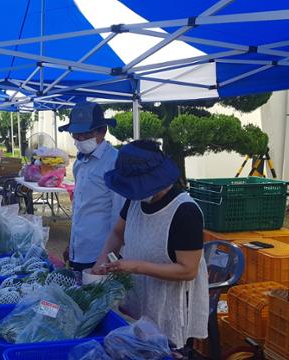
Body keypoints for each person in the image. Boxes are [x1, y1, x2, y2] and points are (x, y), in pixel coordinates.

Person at [92, 139, 209, 349]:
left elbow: (188, 270)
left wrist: (135, 266)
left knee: (162, 350)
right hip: (139, 297)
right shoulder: (137, 199)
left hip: (169, 306)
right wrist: (101, 263)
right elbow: (118, 233)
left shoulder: (185, 212)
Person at [58, 102, 124, 271]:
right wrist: (71, 245)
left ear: (102, 131)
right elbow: (80, 208)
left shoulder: (114, 162)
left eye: (85, 134)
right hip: (78, 250)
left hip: (99, 252)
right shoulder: (80, 163)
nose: (80, 140)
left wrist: (109, 257)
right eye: (75, 135)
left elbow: (119, 214)